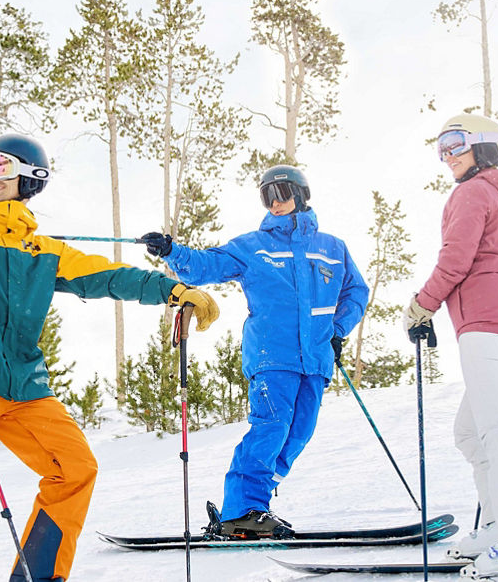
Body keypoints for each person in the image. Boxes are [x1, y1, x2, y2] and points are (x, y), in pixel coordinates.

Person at [0, 133, 219, 582]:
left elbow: (104, 276)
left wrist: (171, 289)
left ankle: (39, 577)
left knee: (75, 469)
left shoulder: (43, 250)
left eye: (1, 166)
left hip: (25, 389)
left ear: (30, 179)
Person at [142, 164, 368, 538]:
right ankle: (243, 509)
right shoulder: (254, 246)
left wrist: (338, 331)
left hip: (314, 359)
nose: (276, 203)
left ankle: (257, 499)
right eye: (268, 196)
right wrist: (171, 251)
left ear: (300, 194)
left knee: (299, 432)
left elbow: (355, 292)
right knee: (272, 425)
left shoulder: (332, 248)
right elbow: (205, 266)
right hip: (271, 355)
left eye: (282, 193)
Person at [403, 114, 498, 577]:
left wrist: (420, 306)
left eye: (455, 144)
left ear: (484, 147)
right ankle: (497, 523)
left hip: (489, 324)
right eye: (440, 149)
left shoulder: (471, 192)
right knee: (470, 432)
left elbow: (455, 259)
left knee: (494, 429)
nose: (446, 156)